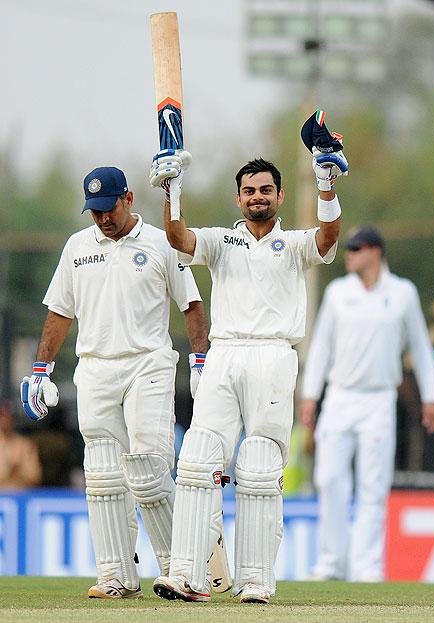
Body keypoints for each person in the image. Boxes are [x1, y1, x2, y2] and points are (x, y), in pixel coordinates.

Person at [148, 143, 347, 603]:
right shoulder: (222, 240)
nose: (257, 196)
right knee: (197, 459)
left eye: (265, 190)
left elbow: (328, 237)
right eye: (249, 191)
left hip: (274, 354)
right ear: (238, 199)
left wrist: (325, 184)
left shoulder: (294, 243)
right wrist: (172, 190)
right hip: (225, 351)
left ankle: (256, 581)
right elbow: (179, 238)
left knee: (259, 465)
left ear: (278, 196)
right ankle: (187, 575)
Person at [20, 166, 209, 598]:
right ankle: (118, 576)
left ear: (128, 199)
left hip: (149, 364)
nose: (102, 219)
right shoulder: (77, 246)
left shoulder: (162, 242)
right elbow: (59, 310)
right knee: (103, 476)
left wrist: (201, 360)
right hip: (95, 368)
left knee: (147, 470)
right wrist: (40, 369)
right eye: (94, 212)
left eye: (108, 209)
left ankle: (183, 572)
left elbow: (192, 304)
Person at [299, 226, 434, 582]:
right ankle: (332, 562)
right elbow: (321, 348)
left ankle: (366, 567)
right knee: (329, 479)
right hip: (340, 396)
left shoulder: (403, 293)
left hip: (379, 399)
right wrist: (310, 396)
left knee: (372, 485)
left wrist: (432, 396)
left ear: (375, 252)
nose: (348, 254)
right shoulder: (337, 293)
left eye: (355, 248)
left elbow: (421, 348)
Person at [0, 400, 42, 490]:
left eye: (8, 417)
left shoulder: (25, 445)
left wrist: (15, 475)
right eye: (2, 416)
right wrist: (11, 473)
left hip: (21, 495)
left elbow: (35, 477)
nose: (4, 421)